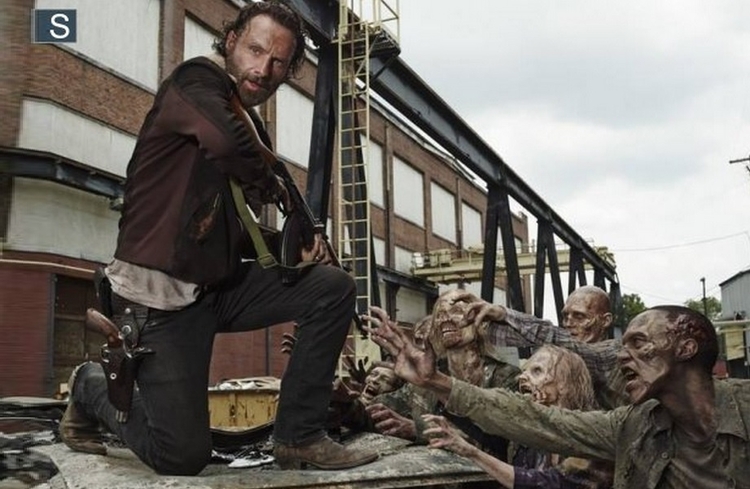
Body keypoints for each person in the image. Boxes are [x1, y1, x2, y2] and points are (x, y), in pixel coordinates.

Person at [59, 1, 378, 475]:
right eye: (255, 50)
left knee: (331, 287)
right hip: (160, 302)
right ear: (230, 41)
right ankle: (89, 386)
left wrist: (292, 248)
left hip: (214, 288)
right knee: (181, 457)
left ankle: (299, 437)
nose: (262, 70)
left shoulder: (243, 120)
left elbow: (226, 226)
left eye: (278, 62)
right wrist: (273, 184)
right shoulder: (194, 84)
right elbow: (229, 146)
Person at [366, 305, 750, 488]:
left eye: (639, 343)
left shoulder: (745, 408)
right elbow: (539, 421)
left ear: (685, 348)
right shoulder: (634, 425)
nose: (622, 356)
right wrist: (435, 381)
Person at [422, 345, 613, 488]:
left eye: (536, 371)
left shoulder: (590, 435)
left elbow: (546, 484)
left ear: (565, 384)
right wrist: (437, 390)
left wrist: (472, 453)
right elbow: (495, 439)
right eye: (524, 371)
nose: (520, 378)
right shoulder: (532, 428)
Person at [366, 290, 520, 462]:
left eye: (456, 311)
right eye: (439, 315)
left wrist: (420, 430)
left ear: (481, 322)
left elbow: (503, 447)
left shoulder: (505, 378)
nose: (445, 319)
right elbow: (377, 411)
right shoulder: (428, 377)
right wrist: (347, 406)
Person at [457, 286, 628, 409]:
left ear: (605, 320)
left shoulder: (615, 353)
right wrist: (470, 327)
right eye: (565, 316)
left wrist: (504, 314)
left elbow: (570, 345)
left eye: (579, 316)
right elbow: (534, 338)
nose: (568, 323)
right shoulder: (565, 353)